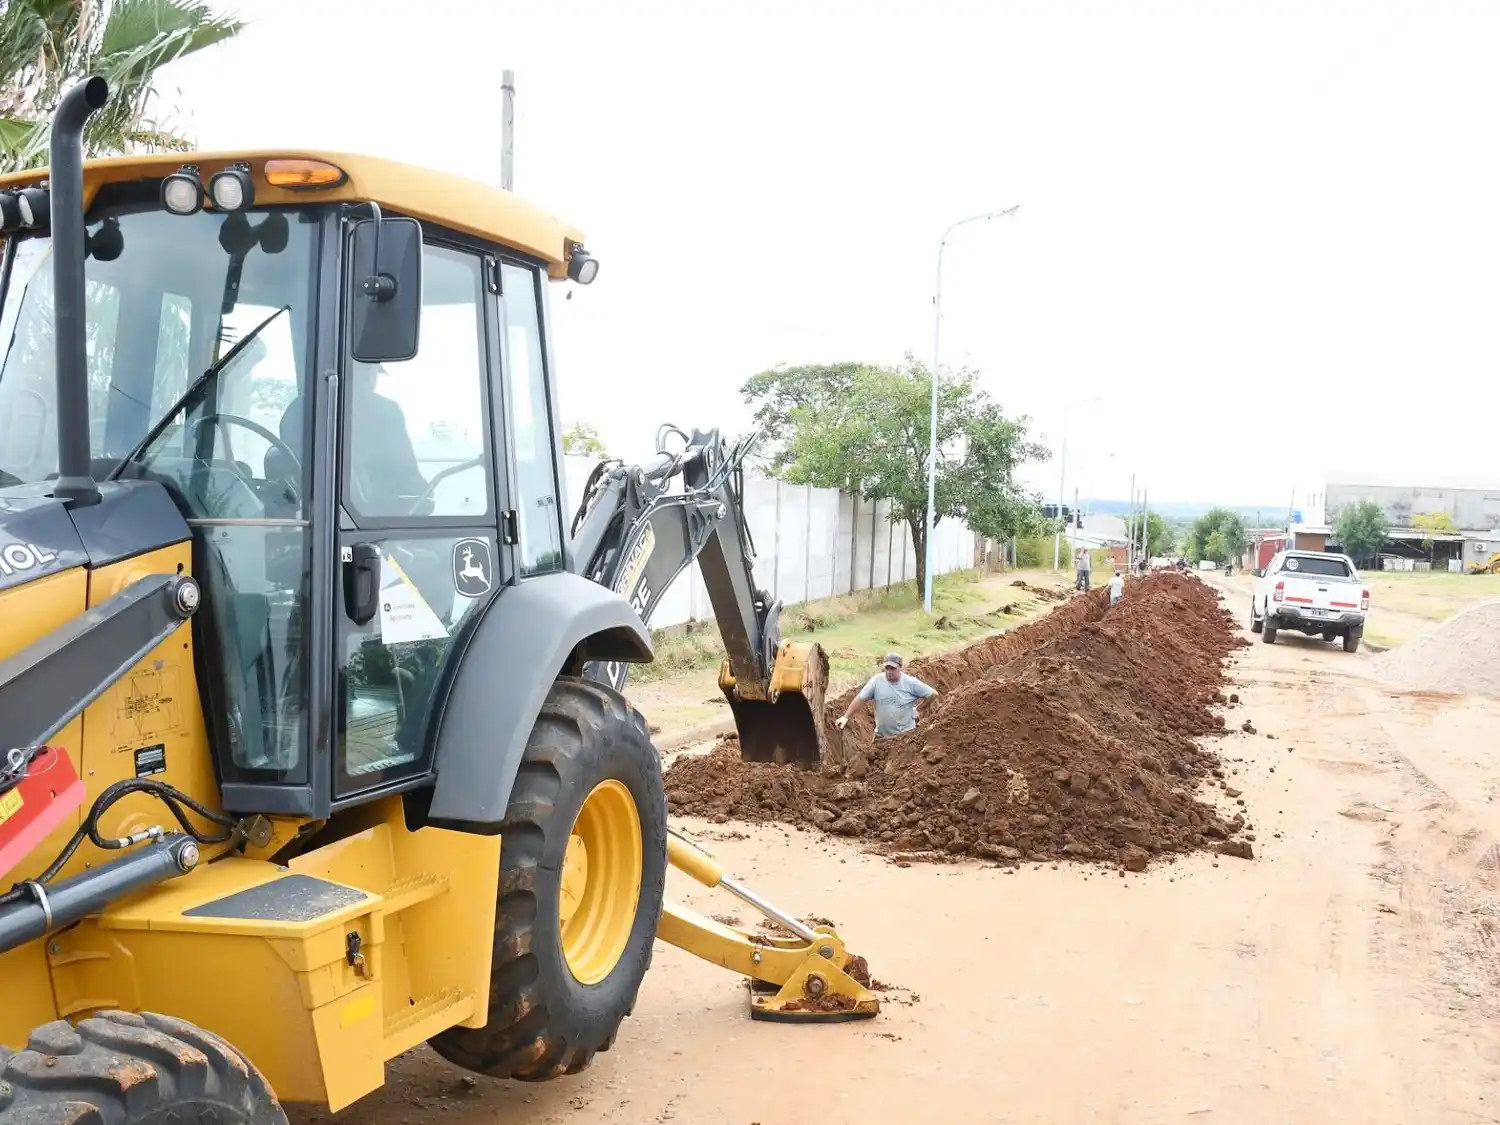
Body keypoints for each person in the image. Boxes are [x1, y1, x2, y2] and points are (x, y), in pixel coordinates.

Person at [834, 653, 936, 739]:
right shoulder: (877, 681)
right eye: (887, 668)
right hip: (881, 738)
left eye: (892, 668)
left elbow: (933, 694)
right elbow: (861, 698)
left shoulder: (910, 683)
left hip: (905, 738)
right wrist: (845, 717)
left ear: (900, 667)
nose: (889, 672)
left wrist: (918, 709)